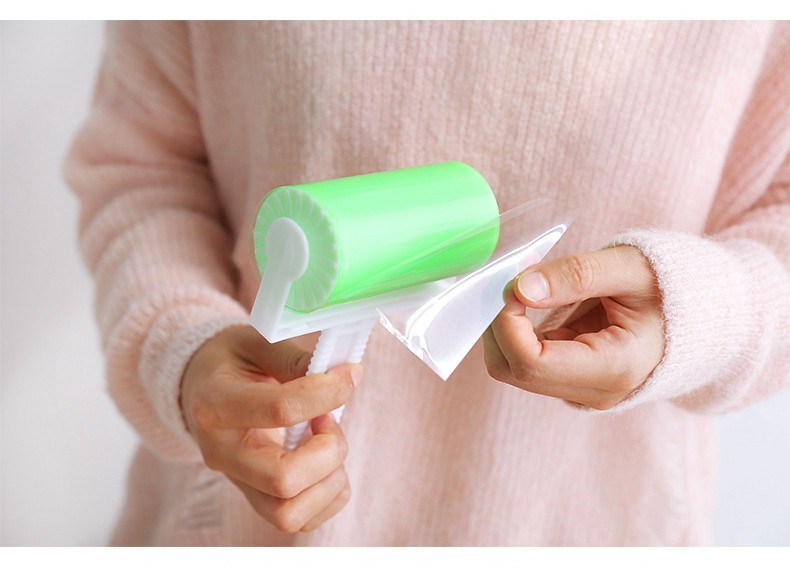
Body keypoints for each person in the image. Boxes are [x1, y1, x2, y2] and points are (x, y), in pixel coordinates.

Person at [65, 21, 790, 545]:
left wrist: (699, 312)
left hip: (592, 528)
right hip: (235, 526)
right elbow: (140, 168)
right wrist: (183, 348)